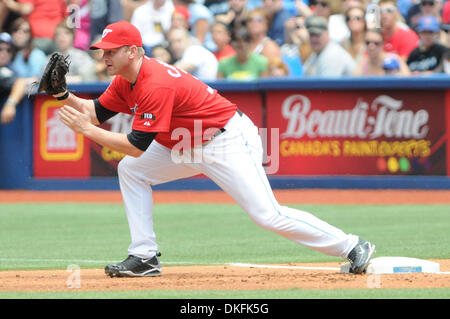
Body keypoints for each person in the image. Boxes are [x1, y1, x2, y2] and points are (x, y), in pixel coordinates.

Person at [48, 20, 375, 277]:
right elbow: (95, 112)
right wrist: (62, 94)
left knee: (267, 215)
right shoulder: (125, 78)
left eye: (111, 50)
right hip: (184, 144)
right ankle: (144, 257)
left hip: (225, 140)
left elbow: (134, 145)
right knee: (131, 172)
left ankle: (352, 245)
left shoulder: (154, 82)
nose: (104, 56)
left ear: (132, 52)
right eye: (102, 50)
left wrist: (87, 131)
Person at [9, 17, 46, 83]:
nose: (20, 33)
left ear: (30, 35)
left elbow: (36, 80)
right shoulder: (6, 53)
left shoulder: (37, 55)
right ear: (11, 33)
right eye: (15, 30)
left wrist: (15, 84)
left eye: (25, 31)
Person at [0, 32, 27, 124]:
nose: (4, 53)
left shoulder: (8, 70)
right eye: (0, 49)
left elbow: (20, 83)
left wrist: (10, 103)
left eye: (8, 50)